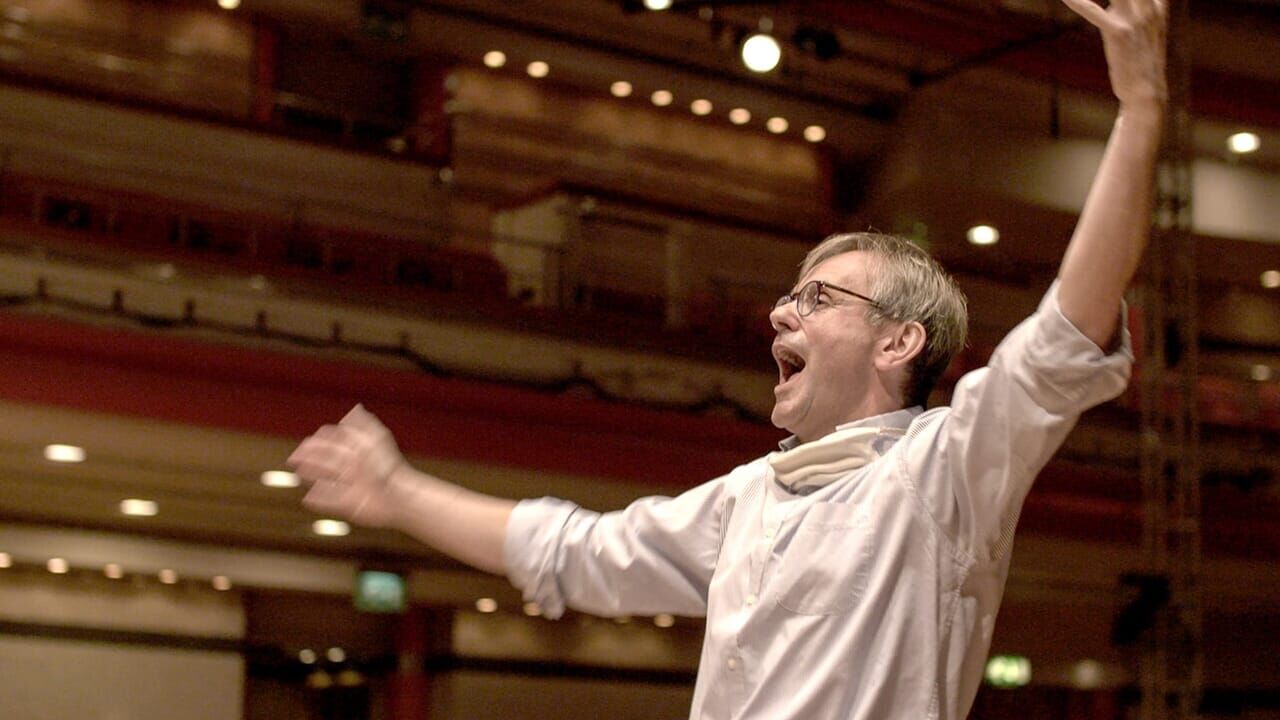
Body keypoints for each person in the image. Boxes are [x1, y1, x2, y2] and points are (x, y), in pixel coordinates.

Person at [288, 1, 1167, 717]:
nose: (781, 311)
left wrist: (1139, 112)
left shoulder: (945, 471)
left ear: (899, 341)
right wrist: (399, 493)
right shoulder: (749, 497)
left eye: (819, 298)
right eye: (789, 295)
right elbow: (573, 551)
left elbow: (1064, 336)